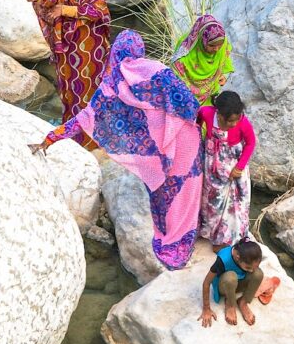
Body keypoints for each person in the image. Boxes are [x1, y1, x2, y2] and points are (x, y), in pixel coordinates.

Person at [29, 30, 203, 270]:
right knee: (187, 189)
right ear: (139, 49)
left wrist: (50, 138)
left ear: (115, 52)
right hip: (184, 142)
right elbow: (188, 103)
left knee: (164, 193)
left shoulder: (110, 86)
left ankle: (169, 236)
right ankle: (189, 231)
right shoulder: (155, 70)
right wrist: (171, 124)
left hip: (153, 154)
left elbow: (82, 120)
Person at [25, 0, 110, 147]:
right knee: (71, 92)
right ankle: (73, 138)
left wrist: (65, 9)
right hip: (68, 50)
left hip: (92, 51)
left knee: (93, 91)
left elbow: (96, 11)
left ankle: (95, 139)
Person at [197, 91, 255, 251]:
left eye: (237, 119)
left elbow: (251, 143)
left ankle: (228, 240)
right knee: (213, 200)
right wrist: (196, 131)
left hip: (233, 168)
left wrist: (240, 167)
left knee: (234, 204)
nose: (234, 123)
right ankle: (212, 233)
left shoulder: (243, 123)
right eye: (230, 120)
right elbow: (199, 116)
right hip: (212, 166)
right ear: (219, 114)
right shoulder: (208, 113)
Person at [170, 14, 234, 107]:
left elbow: (225, 61)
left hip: (210, 96)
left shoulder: (222, 43)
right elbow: (175, 75)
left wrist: (223, 76)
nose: (216, 49)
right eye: (211, 45)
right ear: (202, 39)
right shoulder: (186, 50)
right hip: (186, 100)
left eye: (219, 45)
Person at [199, 238, 264, 327]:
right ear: (237, 258)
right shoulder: (223, 260)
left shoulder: (245, 256)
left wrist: (252, 270)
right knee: (231, 277)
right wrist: (206, 309)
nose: (251, 270)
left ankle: (243, 302)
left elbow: (254, 270)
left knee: (258, 274)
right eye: (248, 268)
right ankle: (230, 304)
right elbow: (206, 283)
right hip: (225, 285)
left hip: (239, 282)